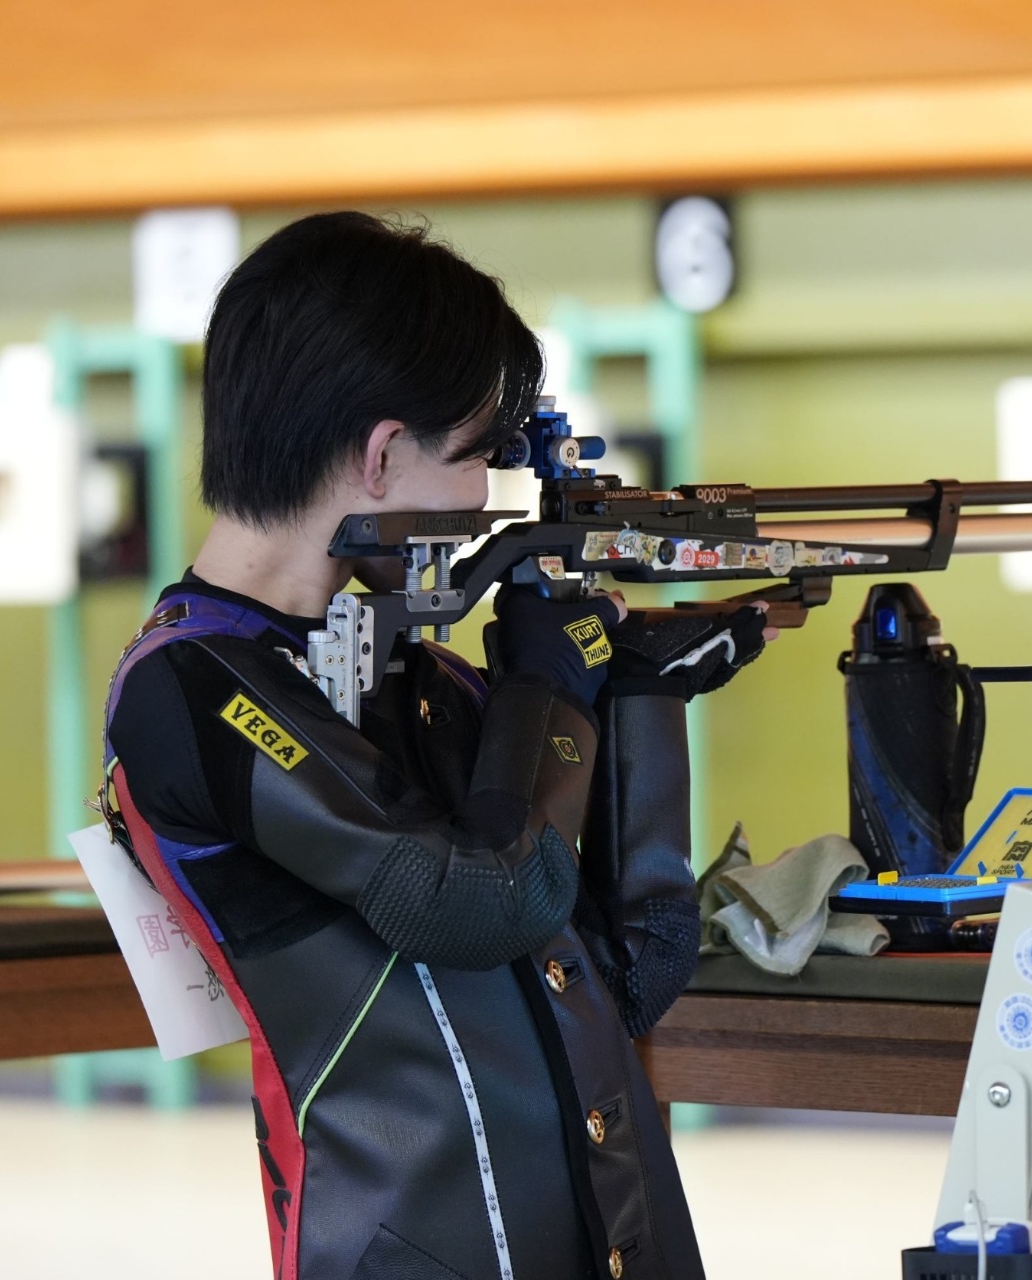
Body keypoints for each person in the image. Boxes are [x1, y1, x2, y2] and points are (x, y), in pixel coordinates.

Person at [100, 212, 770, 1280]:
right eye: (474, 458)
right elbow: (475, 902)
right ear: (379, 454)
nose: (482, 501)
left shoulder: (425, 683)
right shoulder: (188, 690)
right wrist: (550, 683)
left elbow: (629, 971)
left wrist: (632, 694)